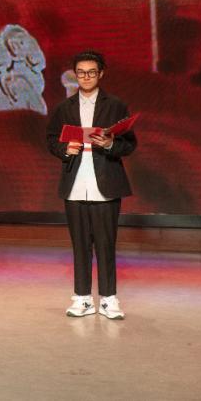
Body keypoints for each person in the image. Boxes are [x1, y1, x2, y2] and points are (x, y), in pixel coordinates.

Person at [45, 51, 137, 320]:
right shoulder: (64, 107)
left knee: (106, 243)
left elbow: (129, 144)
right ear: (75, 75)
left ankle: (109, 299)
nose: (86, 77)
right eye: (81, 73)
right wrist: (65, 149)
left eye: (91, 72)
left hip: (105, 181)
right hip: (75, 183)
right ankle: (82, 298)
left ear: (101, 74)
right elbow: (51, 139)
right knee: (80, 244)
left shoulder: (115, 105)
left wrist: (109, 144)